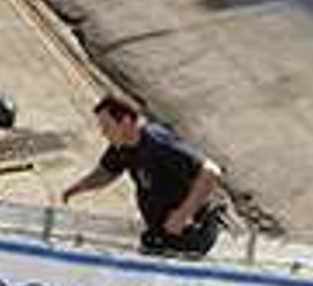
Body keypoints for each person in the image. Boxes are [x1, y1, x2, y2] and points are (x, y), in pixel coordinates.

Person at [61, 95, 225, 256]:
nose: (103, 133)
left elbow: (211, 172)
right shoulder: (123, 146)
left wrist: (183, 214)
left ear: (125, 122)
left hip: (193, 231)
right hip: (161, 232)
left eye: (106, 126)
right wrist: (76, 188)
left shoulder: (157, 142)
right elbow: (106, 172)